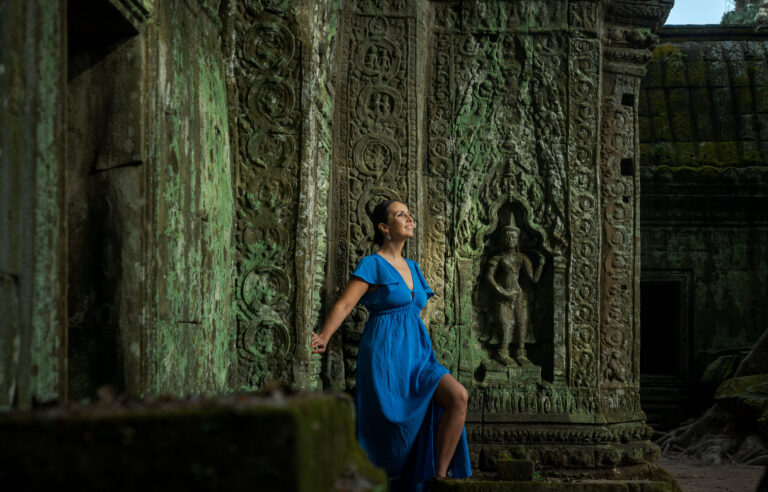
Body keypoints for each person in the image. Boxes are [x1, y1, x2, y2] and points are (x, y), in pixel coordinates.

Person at [311, 200, 472, 490]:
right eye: (401, 215)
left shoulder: (413, 267)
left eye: (409, 214)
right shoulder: (372, 264)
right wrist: (323, 336)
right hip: (384, 355)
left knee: (458, 396)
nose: (409, 219)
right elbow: (345, 304)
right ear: (384, 227)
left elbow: (413, 310)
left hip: (418, 355)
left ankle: (439, 478)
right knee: (387, 425)